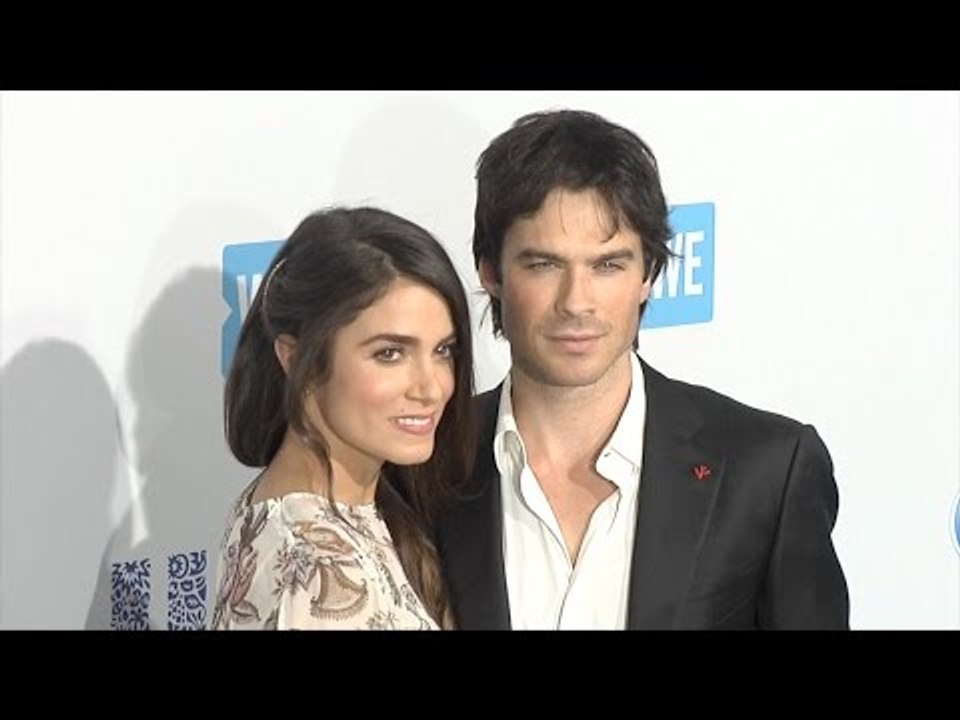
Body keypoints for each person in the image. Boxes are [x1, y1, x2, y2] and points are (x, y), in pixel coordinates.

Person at [435, 109, 849, 630]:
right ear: (491, 272)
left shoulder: (766, 470)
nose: (576, 301)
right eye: (544, 265)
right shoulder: (425, 468)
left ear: (649, 273)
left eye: (608, 265)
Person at [212, 206, 474, 630]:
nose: (432, 388)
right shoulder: (320, 578)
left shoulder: (318, 512)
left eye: (443, 350)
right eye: (390, 353)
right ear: (297, 359)